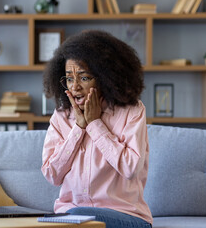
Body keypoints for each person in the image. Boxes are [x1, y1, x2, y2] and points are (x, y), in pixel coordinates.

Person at [41, 30, 152, 228]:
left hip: (125, 216)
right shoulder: (61, 116)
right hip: (69, 216)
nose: (74, 87)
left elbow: (131, 168)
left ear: (104, 78)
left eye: (84, 78)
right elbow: (52, 175)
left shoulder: (132, 112)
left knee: (75, 217)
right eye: (69, 78)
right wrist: (79, 128)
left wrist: (95, 125)